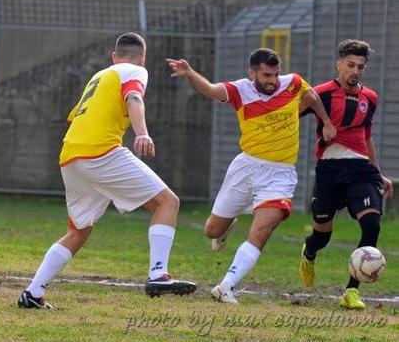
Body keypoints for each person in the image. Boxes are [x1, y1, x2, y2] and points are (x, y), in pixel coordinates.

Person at [18, 33, 196, 309]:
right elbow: (134, 97)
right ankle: (158, 274)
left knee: (79, 231)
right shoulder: (135, 70)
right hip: (100, 152)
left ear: (114, 56)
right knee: (168, 202)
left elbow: (77, 115)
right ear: (143, 57)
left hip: (70, 155)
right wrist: (143, 133)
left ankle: (33, 293)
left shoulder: (100, 76)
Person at [167, 48, 336, 304]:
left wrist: (326, 122)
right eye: (267, 75)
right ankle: (226, 227)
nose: (273, 80)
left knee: (262, 231)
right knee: (212, 231)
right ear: (253, 72)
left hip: (280, 174)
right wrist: (189, 73)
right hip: (246, 168)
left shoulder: (293, 83)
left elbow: (311, 96)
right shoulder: (240, 90)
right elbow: (212, 90)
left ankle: (226, 285)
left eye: (276, 74)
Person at [299, 39, 393, 309]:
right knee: (322, 236)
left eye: (360, 67)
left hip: (361, 170)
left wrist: (378, 173)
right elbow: (291, 114)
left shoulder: (370, 98)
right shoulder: (321, 93)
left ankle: (351, 291)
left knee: (372, 225)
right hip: (329, 169)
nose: (355, 71)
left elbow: (367, 136)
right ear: (339, 63)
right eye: (350, 65)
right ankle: (309, 251)